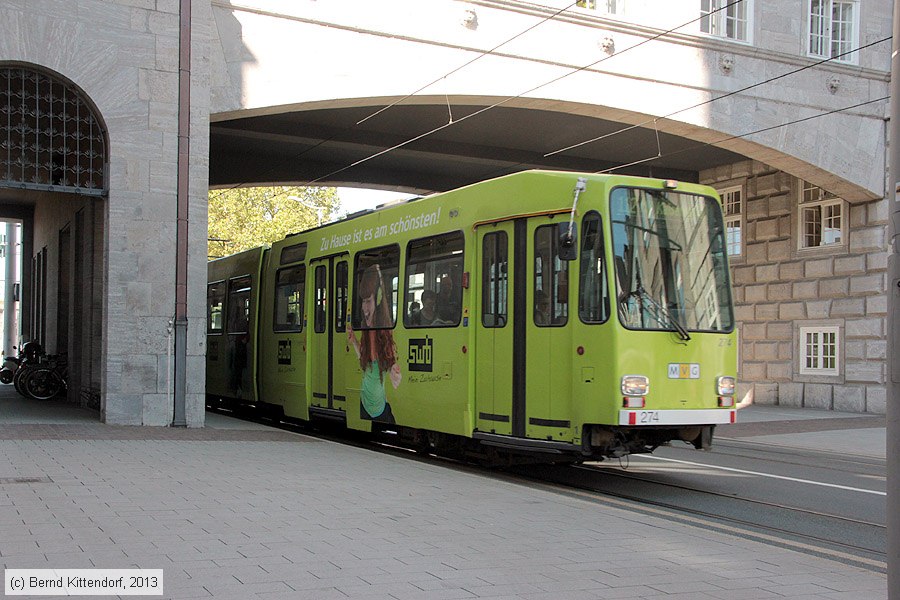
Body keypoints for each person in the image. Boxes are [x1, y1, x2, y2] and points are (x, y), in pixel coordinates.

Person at [347, 264, 401, 423]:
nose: (364, 308)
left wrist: (394, 373)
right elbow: (365, 363)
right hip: (364, 403)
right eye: (363, 301)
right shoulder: (366, 329)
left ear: (378, 300)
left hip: (379, 408)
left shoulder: (383, 331)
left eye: (368, 301)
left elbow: (390, 365)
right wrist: (354, 342)